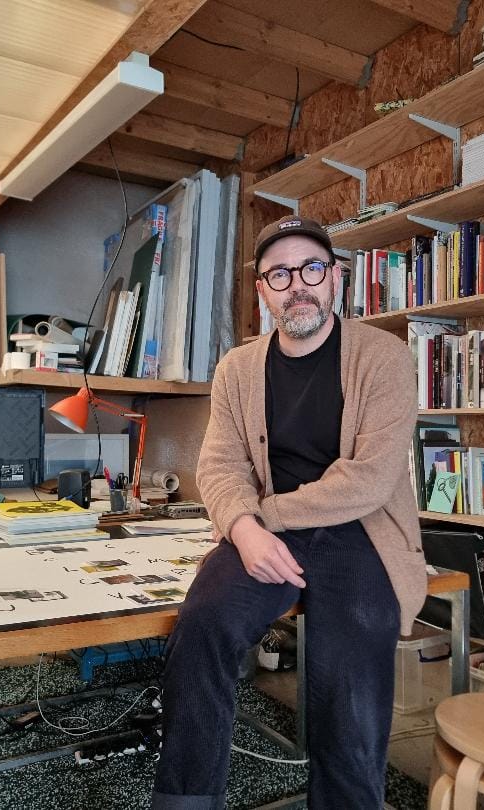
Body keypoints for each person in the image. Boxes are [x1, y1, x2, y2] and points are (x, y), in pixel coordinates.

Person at [152, 215, 429, 809]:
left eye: (311, 268)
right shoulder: (237, 368)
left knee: (348, 687)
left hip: (360, 533)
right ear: (263, 291)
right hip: (264, 530)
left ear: (336, 278)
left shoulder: (385, 357)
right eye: (279, 274)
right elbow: (220, 465)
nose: (297, 284)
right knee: (200, 629)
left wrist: (262, 517)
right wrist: (242, 528)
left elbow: (371, 478)